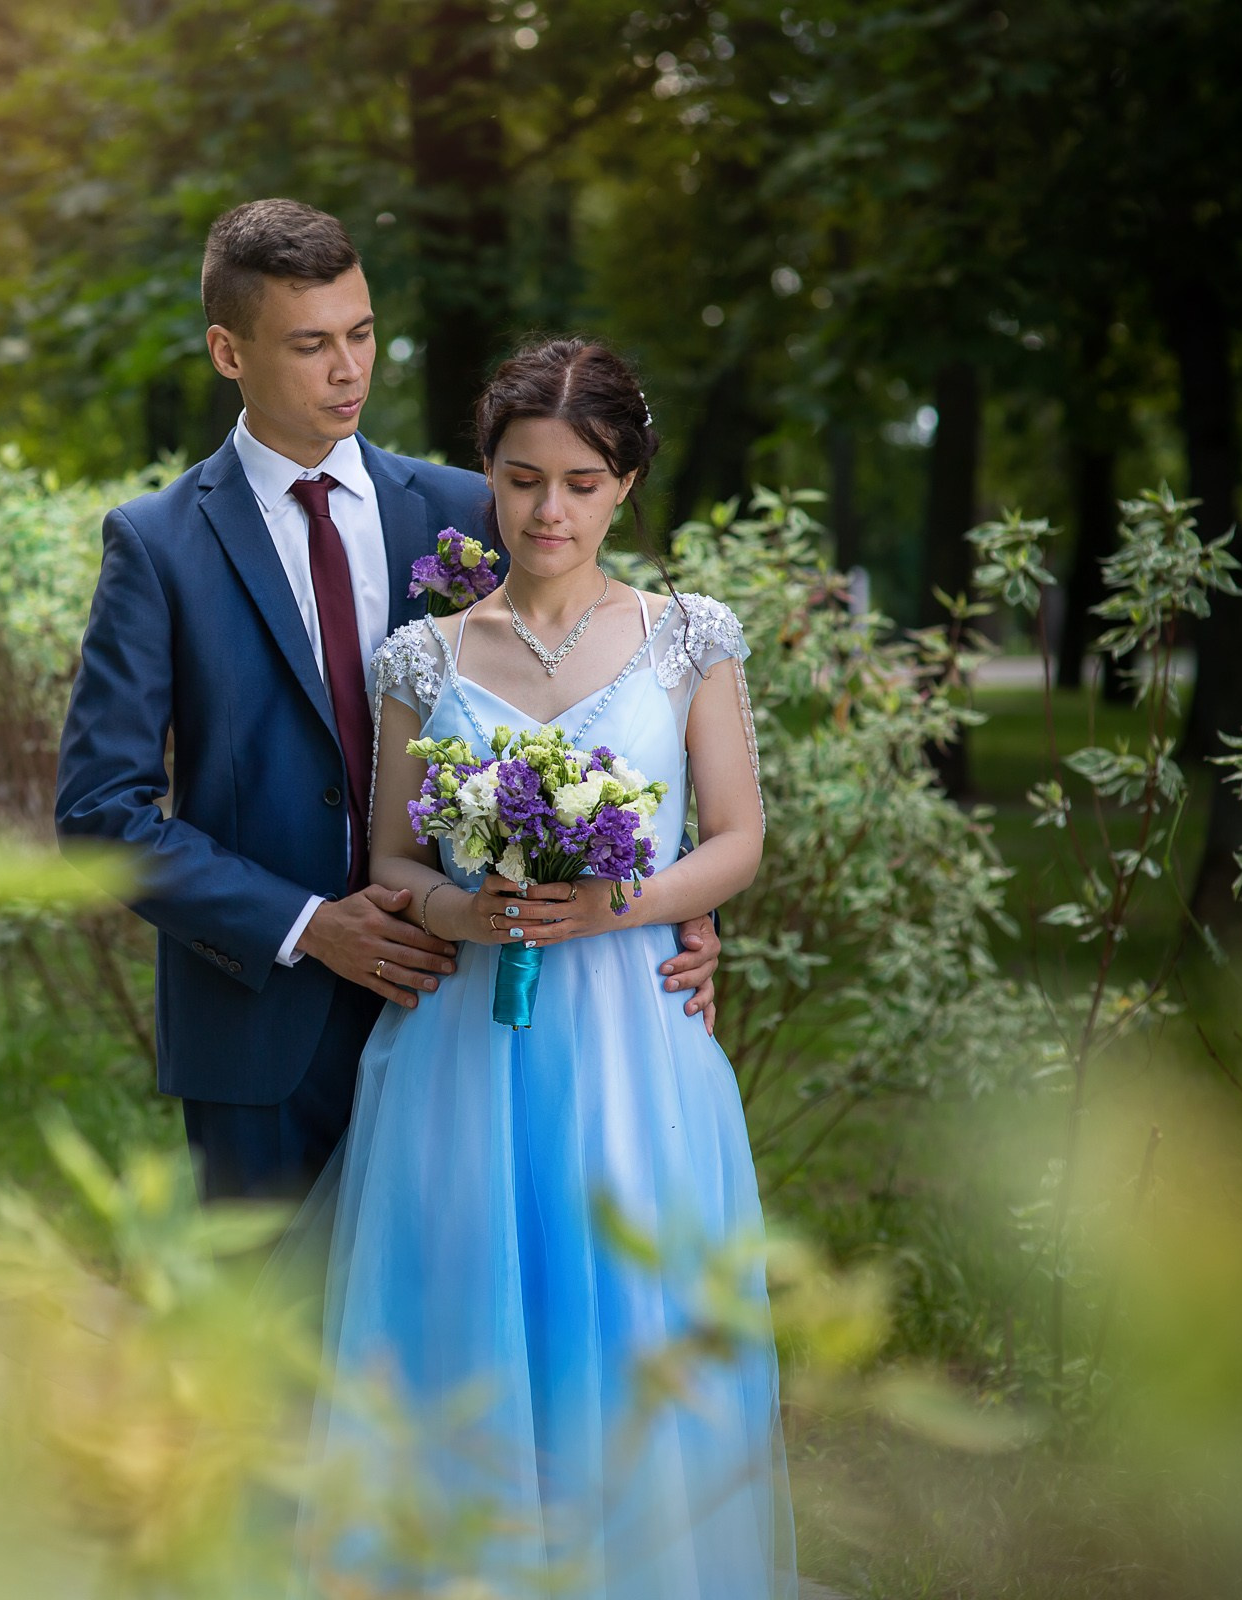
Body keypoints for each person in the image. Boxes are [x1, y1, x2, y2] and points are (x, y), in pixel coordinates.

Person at [54, 200, 723, 1203]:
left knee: (453, 1342)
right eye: (311, 343)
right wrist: (309, 923)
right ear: (227, 351)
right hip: (263, 1028)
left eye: (362, 333)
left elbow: (587, 708)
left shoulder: (470, 507)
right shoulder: (157, 546)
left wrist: (667, 909)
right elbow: (99, 815)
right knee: (269, 1349)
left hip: (479, 1018)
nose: (349, 369)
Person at [309, 337, 796, 1593]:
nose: (550, 510)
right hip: (463, 1054)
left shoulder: (689, 638)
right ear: (488, 475)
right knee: (463, 1340)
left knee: (621, 1350)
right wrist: (461, 917)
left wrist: (619, 897)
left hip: (632, 1043)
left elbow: (736, 838)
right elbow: (396, 861)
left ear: (626, 483)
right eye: (523, 480)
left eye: (581, 481)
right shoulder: (425, 656)